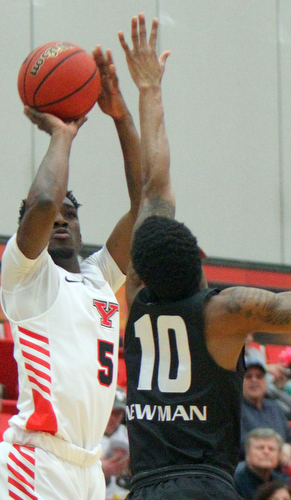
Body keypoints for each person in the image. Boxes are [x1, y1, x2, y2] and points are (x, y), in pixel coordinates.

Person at [119, 12, 291, 500]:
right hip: (206, 487)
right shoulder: (224, 311)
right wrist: (150, 86)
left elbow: (154, 185)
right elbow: (285, 309)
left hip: (146, 488)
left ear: (142, 270)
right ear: (200, 258)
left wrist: (149, 92)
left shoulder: (136, 296)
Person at [0, 42, 141, 500]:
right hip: (35, 460)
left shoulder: (100, 277)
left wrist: (121, 116)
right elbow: (45, 201)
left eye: (70, 214)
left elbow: (144, 201)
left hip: (88, 468)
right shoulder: (26, 275)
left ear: (79, 225)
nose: (58, 218)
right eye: (48, 215)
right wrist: (62, 135)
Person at [241, 360, 291, 460]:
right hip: (247, 469)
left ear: (265, 382)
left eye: (259, 377)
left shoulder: (275, 408)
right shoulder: (235, 409)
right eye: (248, 376)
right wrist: (278, 450)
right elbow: (239, 445)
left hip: (280, 468)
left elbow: (288, 439)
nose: (254, 380)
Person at [234, 428, 289, 500]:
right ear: (247, 454)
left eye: (271, 449)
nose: (266, 452)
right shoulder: (234, 481)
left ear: (279, 455)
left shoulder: (281, 482)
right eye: (260, 448)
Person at [101, 386, 130, 499]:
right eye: (110, 412)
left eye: (118, 413)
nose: (113, 418)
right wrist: (101, 469)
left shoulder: (129, 435)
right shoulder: (86, 434)